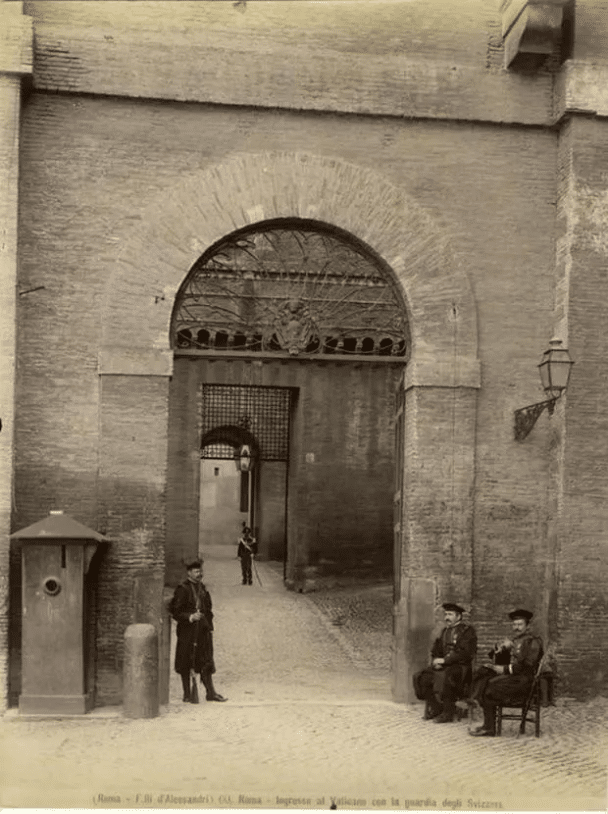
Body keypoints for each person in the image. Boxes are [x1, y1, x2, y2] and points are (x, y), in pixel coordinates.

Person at [469, 608, 543, 737]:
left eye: (520, 624)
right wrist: (500, 650)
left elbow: (528, 666)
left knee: (489, 686)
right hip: (511, 677)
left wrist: (506, 664)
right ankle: (474, 699)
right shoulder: (515, 640)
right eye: (514, 624)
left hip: (523, 681)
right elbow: (503, 661)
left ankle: (489, 727)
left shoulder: (533, 642)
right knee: (483, 672)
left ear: (528, 626)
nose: (516, 628)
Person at [169, 559, 227, 703]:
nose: (199, 574)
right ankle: (187, 694)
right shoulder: (182, 589)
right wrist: (190, 616)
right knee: (186, 662)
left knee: (206, 660)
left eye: (200, 571)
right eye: (196, 572)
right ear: (189, 573)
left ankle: (210, 693)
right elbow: (175, 611)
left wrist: (210, 627)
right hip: (187, 632)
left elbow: (208, 610)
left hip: (203, 631)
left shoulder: (202, 588)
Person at [413, 602, 477, 723]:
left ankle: (448, 712)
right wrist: (436, 661)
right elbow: (436, 650)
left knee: (446, 676)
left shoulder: (467, 631)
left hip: (461, 667)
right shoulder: (444, 631)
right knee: (421, 677)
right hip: (444, 665)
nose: (447, 617)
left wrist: (445, 660)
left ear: (458, 617)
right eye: (446, 614)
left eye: (450, 614)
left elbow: (466, 653)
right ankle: (436, 708)